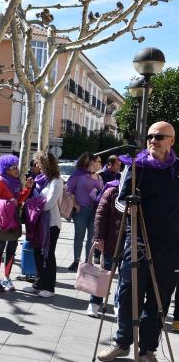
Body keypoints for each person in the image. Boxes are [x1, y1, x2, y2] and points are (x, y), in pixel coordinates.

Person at [97, 122, 179, 362]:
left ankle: (147, 350)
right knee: (127, 294)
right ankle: (121, 342)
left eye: (160, 136)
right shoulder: (136, 166)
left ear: (171, 141)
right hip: (138, 243)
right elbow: (119, 202)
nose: (153, 140)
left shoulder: (177, 169)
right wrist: (130, 208)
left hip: (170, 247)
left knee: (159, 300)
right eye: (151, 136)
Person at [0, 155, 32, 292]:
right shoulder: (0, 181)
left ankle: (7, 277)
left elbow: (19, 200)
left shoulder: (16, 181)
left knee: (11, 249)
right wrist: (8, 202)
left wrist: (28, 189)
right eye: (13, 167)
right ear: (6, 169)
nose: (16, 169)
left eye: (16, 166)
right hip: (1, 220)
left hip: (14, 219)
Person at [24, 152, 63, 298]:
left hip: (51, 224)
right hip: (40, 223)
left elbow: (49, 204)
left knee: (48, 255)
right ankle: (38, 284)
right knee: (38, 254)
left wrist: (33, 202)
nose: (37, 166)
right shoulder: (42, 180)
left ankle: (49, 287)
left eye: (39, 164)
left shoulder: (56, 181)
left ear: (46, 165)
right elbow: (40, 200)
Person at [87, 177, 122, 317]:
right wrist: (99, 238)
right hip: (111, 241)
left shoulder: (142, 193)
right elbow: (100, 216)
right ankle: (94, 303)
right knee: (104, 273)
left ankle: (119, 305)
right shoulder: (112, 191)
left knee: (126, 278)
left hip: (131, 243)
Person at [66, 152, 103, 271]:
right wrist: (75, 205)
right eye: (99, 161)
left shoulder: (99, 177)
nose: (100, 164)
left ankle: (88, 261)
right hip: (81, 211)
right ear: (92, 162)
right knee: (79, 237)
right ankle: (76, 261)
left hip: (94, 212)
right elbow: (67, 191)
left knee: (92, 238)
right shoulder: (78, 175)